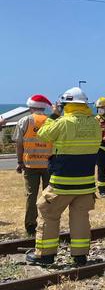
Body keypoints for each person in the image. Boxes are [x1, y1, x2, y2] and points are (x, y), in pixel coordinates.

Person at [26, 87, 102, 266]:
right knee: (80, 217)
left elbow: (43, 135)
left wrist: (54, 115)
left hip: (62, 182)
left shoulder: (62, 122)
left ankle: (45, 255)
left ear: (65, 104)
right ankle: (80, 256)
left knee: (47, 211)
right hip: (86, 183)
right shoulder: (94, 123)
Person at [12, 95, 53, 236]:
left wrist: (19, 162)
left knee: (31, 195)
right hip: (48, 164)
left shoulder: (24, 121)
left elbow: (18, 144)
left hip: (30, 165)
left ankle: (30, 225)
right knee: (48, 195)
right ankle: (48, 223)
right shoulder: (50, 121)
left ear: (31, 107)